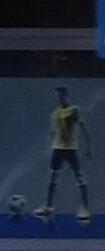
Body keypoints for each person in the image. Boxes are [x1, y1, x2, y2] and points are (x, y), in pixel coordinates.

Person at [43, 86, 93, 226]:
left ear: (66, 95)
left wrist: (88, 147)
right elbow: (53, 131)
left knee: (79, 177)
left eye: (61, 95)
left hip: (71, 149)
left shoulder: (74, 110)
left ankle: (85, 208)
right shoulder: (55, 113)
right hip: (57, 149)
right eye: (57, 96)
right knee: (53, 176)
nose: (59, 98)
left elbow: (83, 128)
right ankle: (48, 206)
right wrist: (50, 145)